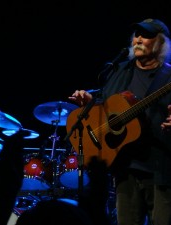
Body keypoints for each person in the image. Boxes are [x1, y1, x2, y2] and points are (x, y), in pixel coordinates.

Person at [69, 18, 171, 225]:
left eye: (146, 35)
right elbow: (107, 106)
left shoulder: (168, 76)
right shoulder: (119, 70)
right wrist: (91, 103)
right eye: (137, 35)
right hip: (124, 165)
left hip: (160, 167)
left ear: (161, 43)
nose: (139, 39)